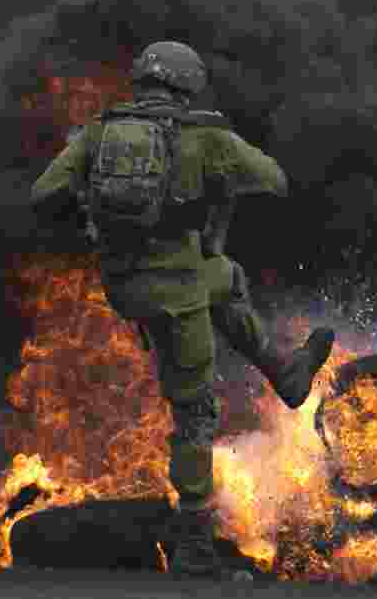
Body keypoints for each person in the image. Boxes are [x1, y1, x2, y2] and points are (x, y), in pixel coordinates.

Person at [30, 41, 335, 577]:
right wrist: (213, 179)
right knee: (195, 414)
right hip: (178, 295)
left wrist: (94, 212)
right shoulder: (205, 137)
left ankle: (286, 373)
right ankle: (193, 541)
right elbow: (276, 180)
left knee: (227, 276)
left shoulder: (99, 133)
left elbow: (43, 195)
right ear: (187, 83)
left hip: (128, 286)